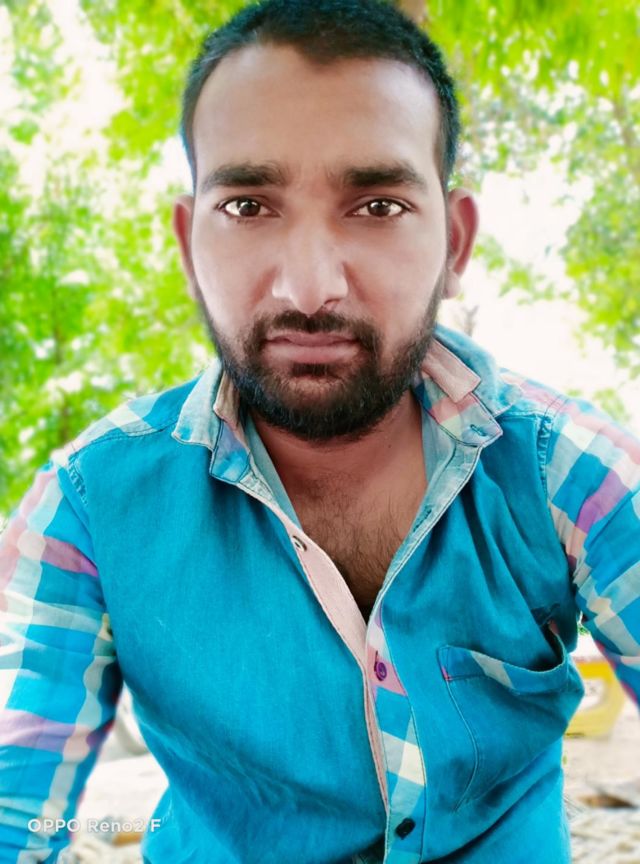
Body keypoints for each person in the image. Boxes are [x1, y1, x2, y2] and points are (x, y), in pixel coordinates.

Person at [0, 0, 638, 861]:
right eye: (248, 205)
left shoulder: (572, 475)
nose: (309, 288)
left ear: (455, 244)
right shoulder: (87, 511)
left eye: (376, 205)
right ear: (188, 244)